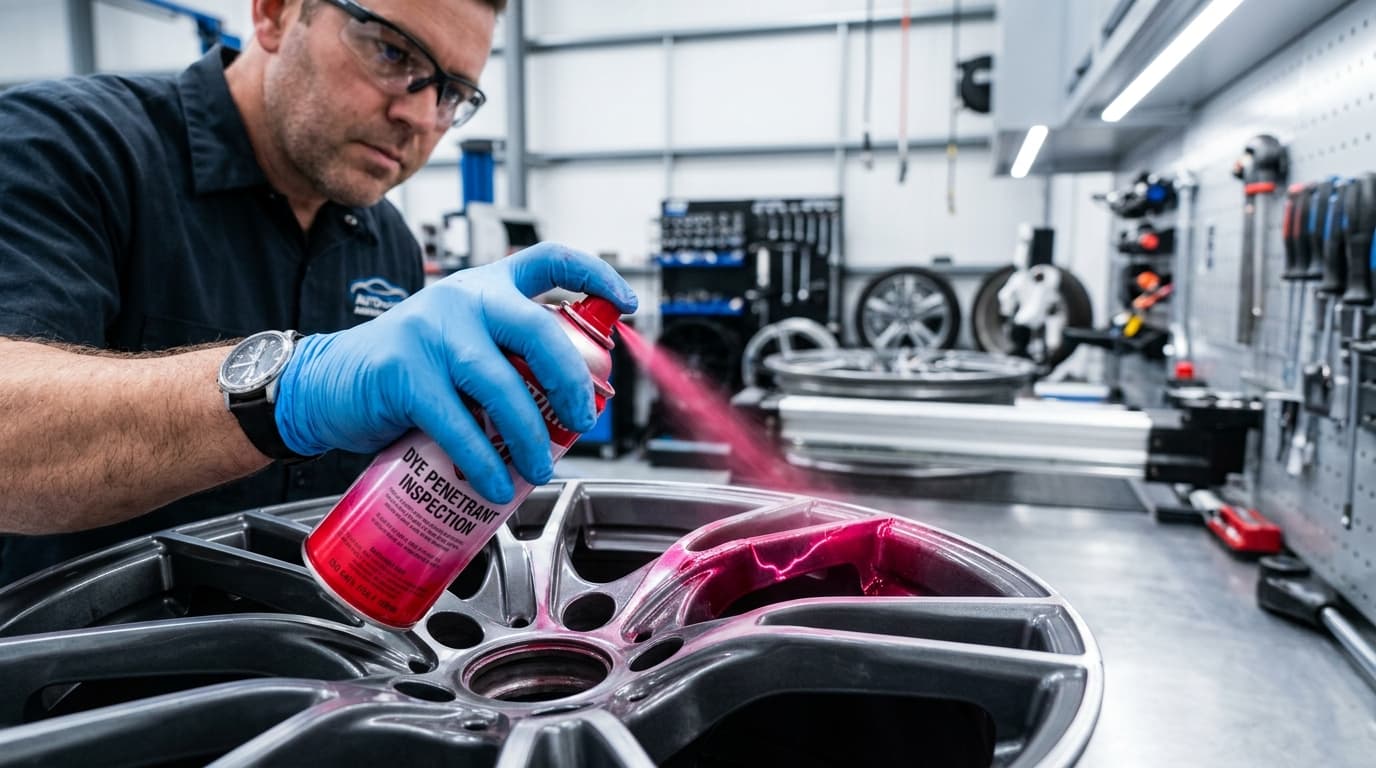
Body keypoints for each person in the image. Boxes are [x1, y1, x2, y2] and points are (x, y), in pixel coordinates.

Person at [0, 0, 637, 586]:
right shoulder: (63, 147)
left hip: (315, 668)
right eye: (393, 53)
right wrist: (282, 393)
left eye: (452, 93)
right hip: (82, 686)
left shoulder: (385, 238)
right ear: (275, 14)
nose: (419, 116)